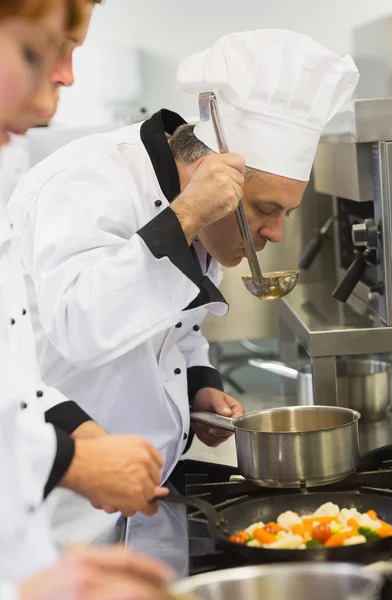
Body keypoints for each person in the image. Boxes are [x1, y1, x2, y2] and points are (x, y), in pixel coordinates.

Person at [8, 29, 359, 547]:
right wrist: (188, 215)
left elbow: (178, 322)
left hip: (148, 495)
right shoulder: (86, 181)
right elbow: (80, 325)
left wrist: (198, 382)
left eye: (286, 213)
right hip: (62, 511)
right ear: (207, 177)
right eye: (265, 209)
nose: (276, 234)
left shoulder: (193, 217)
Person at [0, 1, 172, 598]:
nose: (62, 81)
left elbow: (12, 376)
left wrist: (33, 577)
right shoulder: (78, 180)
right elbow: (74, 324)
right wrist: (69, 462)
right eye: (35, 51)